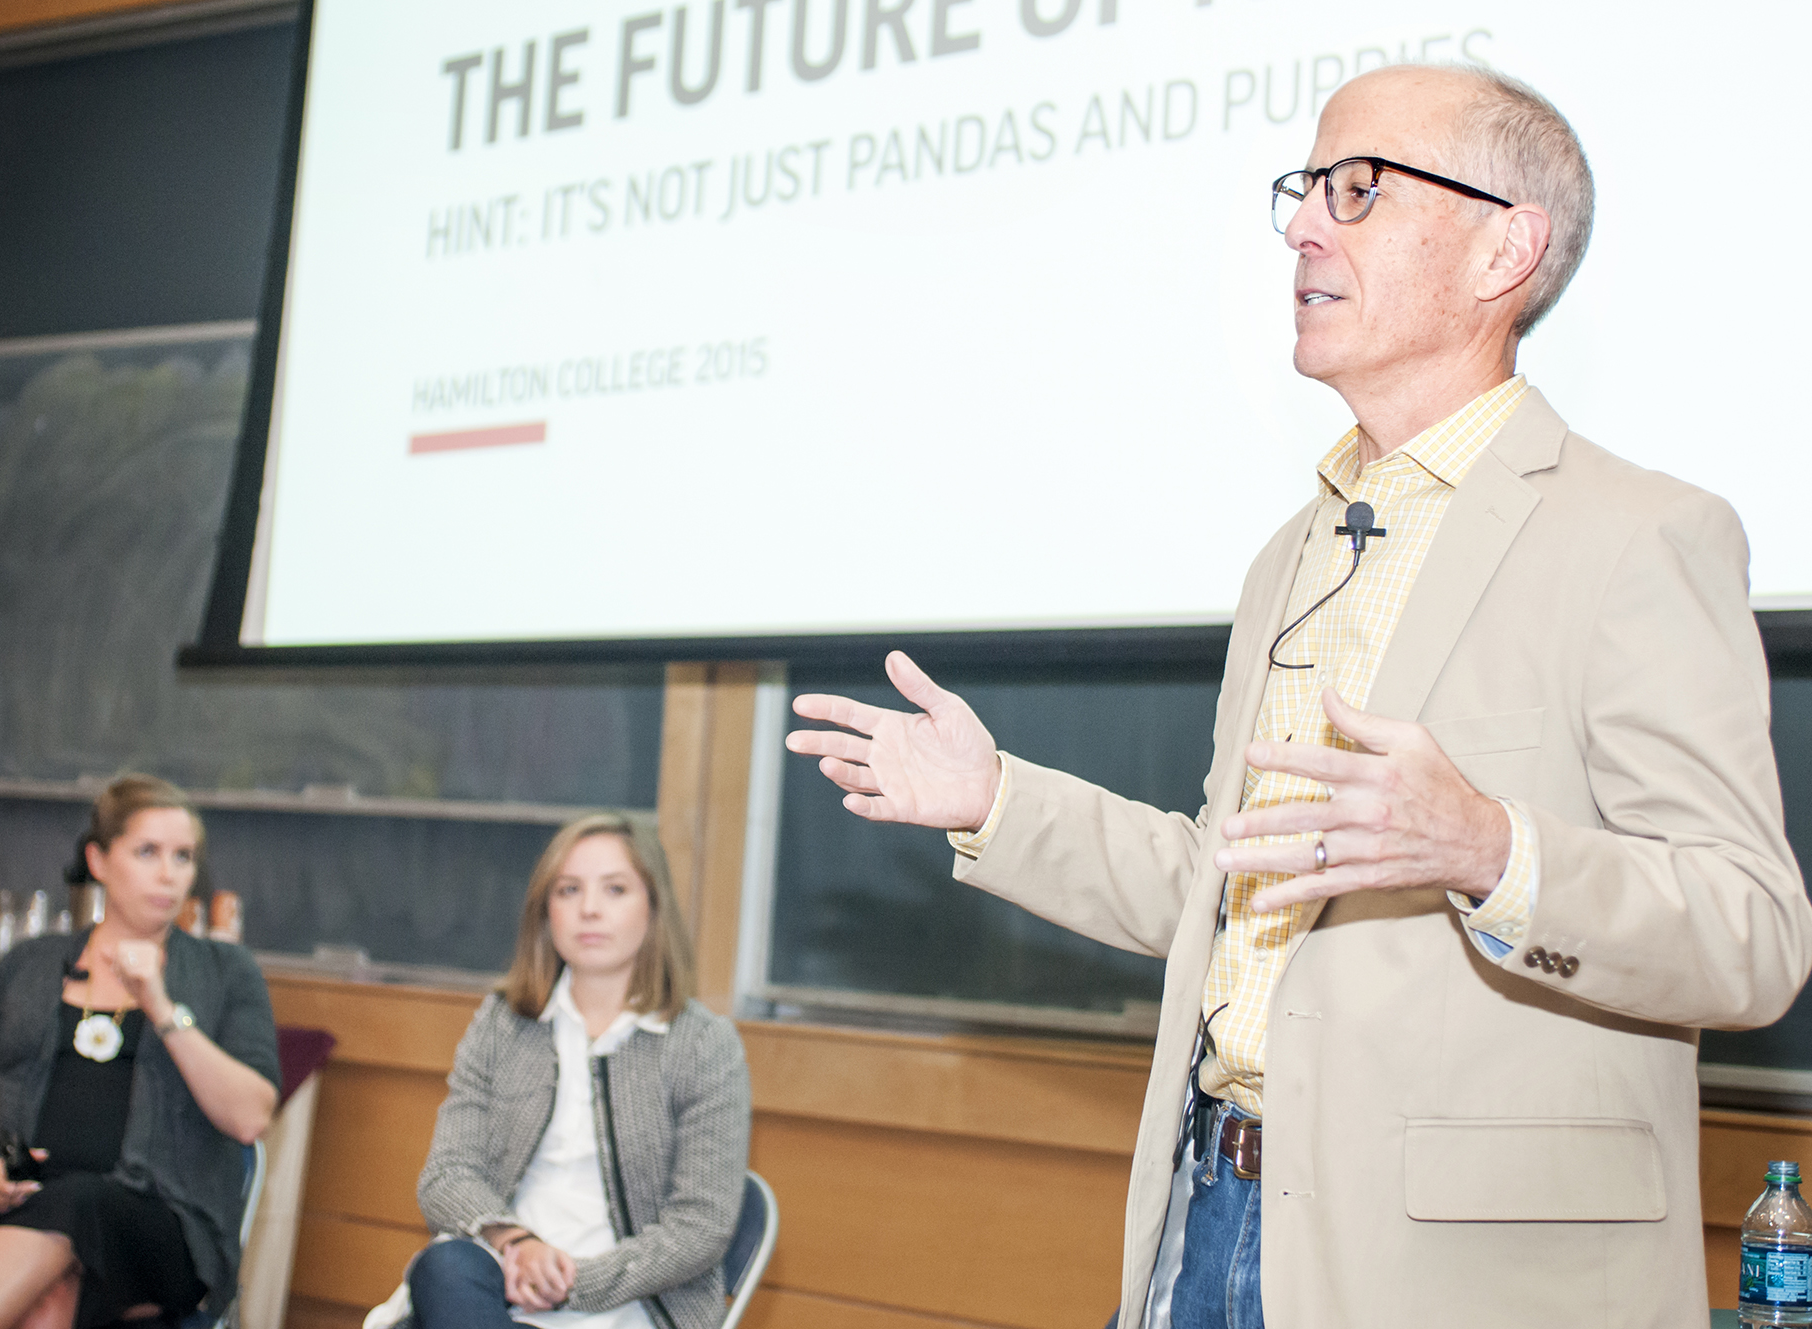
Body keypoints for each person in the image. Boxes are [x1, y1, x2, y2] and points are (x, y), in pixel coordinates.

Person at [785, 63, 1812, 1329]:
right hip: (1207, 1209)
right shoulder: (1295, 554)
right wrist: (994, 801)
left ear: (1506, 246)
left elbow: (1749, 934)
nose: (1300, 226)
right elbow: (1222, 887)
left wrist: (1489, 849)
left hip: (1458, 1277)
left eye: (1358, 188)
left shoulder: (1640, 535)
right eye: (1304, 188)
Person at [0, 775, 280, 1329]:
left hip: (157, 1230)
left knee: (78, 1204)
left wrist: (159, 1005)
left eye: (183, 857)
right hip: (17, 1210)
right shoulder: (30, 964)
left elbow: (250, 1116)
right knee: (50, 1291)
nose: (169, 873)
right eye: (147, 852)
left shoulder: (226, 973)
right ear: (100, 859)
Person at [377, 812, 750, 1329]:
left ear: (654, 907)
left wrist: (572, 1282)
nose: (589, 910)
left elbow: (701, 1227)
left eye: (615, 889)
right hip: (496, 1287)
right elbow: (446, 1175)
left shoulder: (703, 1044)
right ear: (545, 912)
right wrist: (517, 1244)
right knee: (443, 1269)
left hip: (629, 1306)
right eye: (569, 890)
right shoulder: (503, 1023)